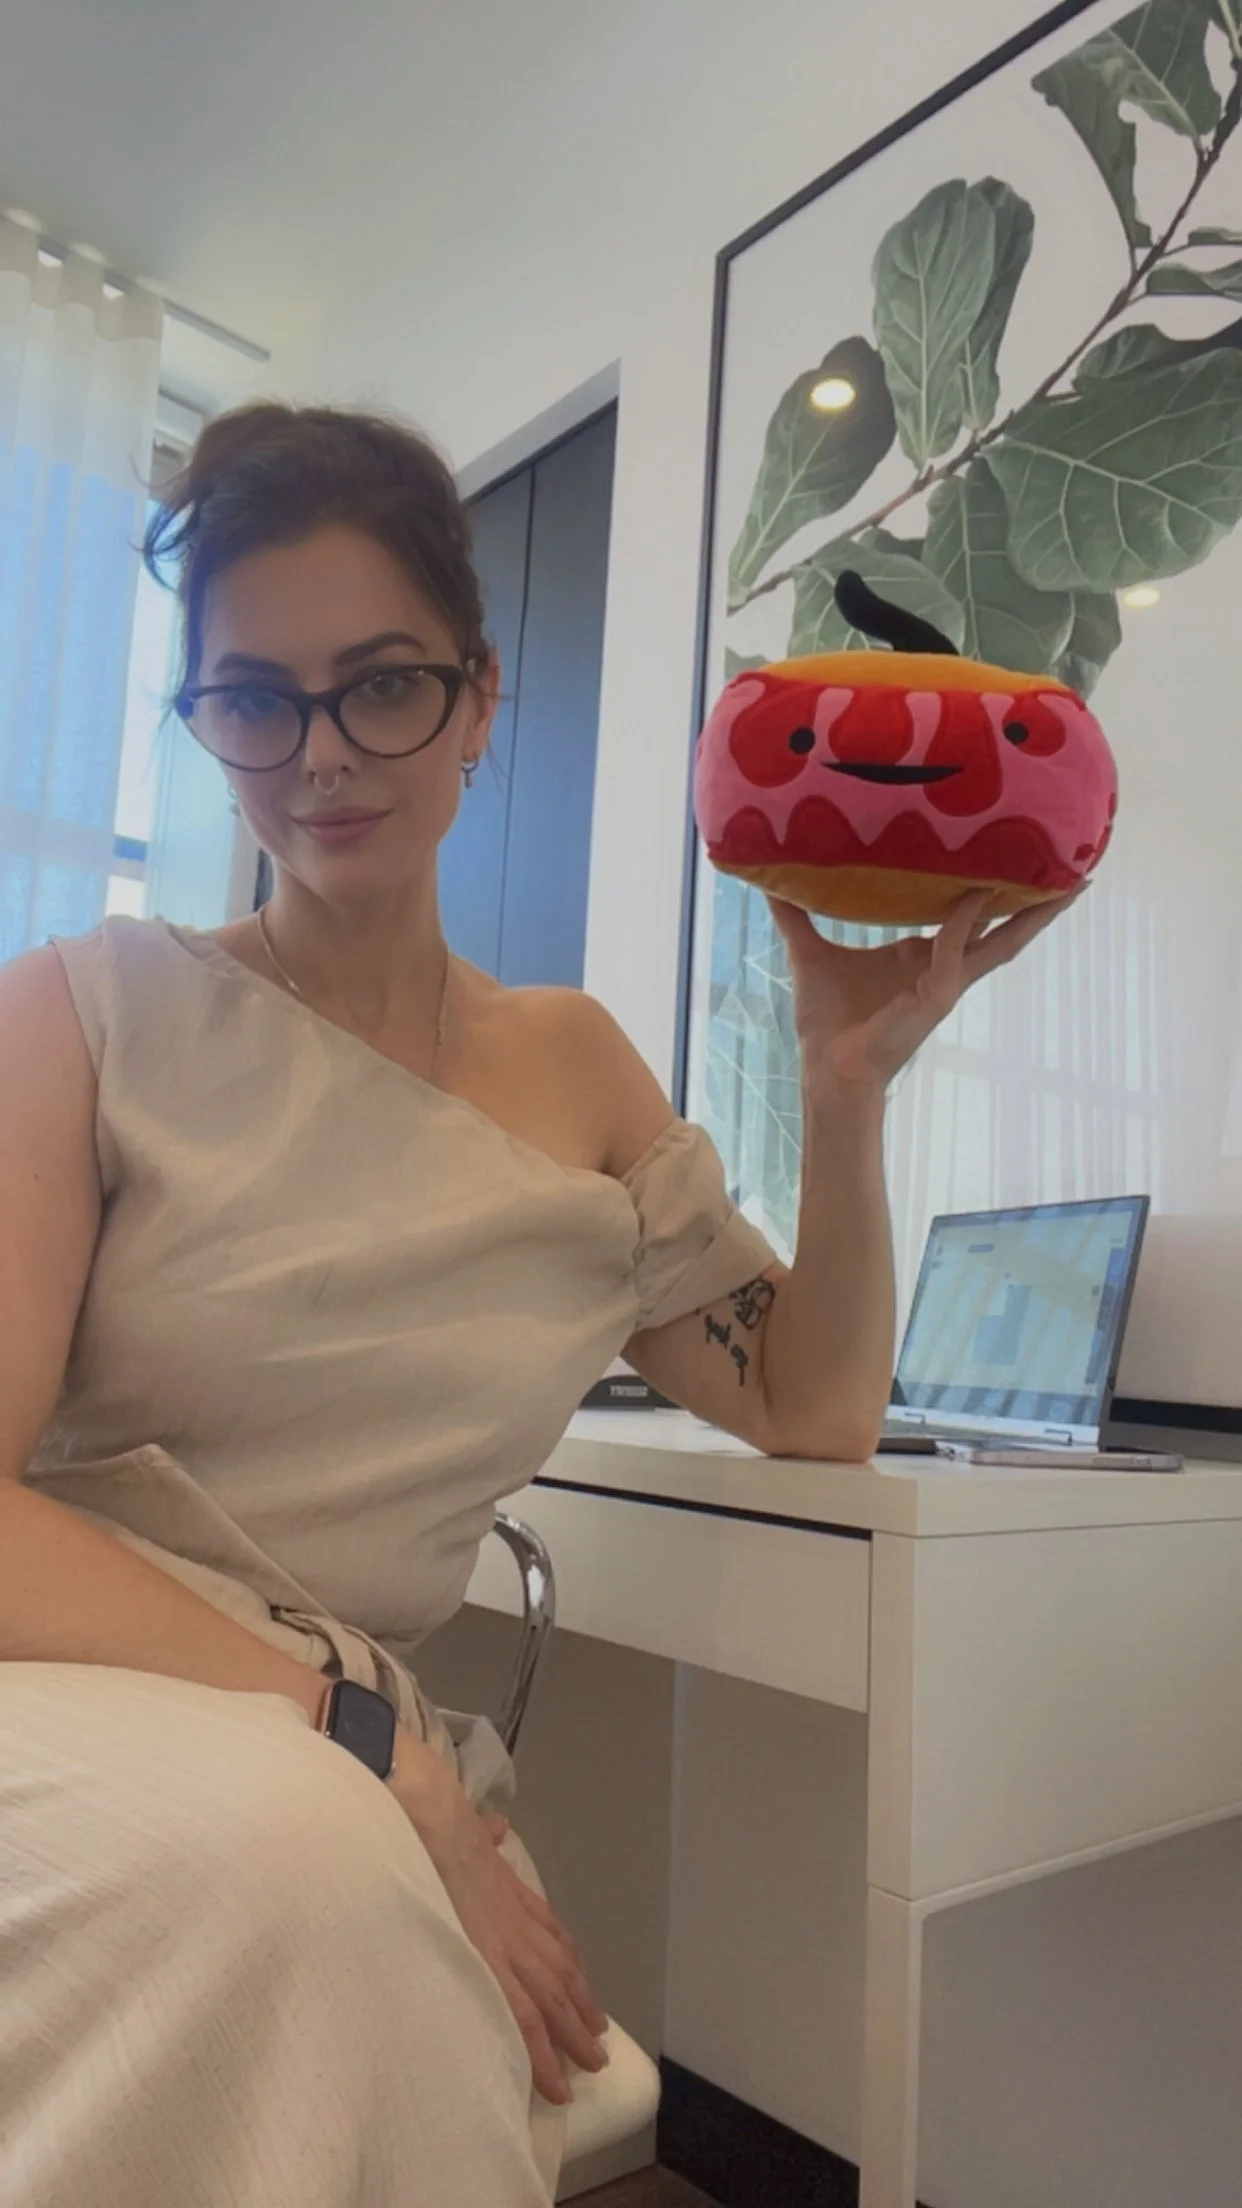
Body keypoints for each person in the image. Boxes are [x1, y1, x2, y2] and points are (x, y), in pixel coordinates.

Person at [0, 403, 1070, 2208]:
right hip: (101, 1681)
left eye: (382, 685)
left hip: (337, 1758)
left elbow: (811, 1406)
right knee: (297, 1883)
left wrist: (841, 1092)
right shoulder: (83, 1012)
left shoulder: (574, 1073)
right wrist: (379, 1753)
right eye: (253, 697)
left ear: (481, 701)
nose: (320, 754)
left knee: (317, 1897)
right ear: (199, 724)